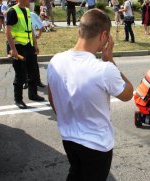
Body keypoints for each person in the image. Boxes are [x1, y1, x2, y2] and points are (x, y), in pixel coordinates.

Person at [47, 9, 133, 181]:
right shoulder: (104, 69)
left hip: (68, 138)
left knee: (75, 172)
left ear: (80, 31)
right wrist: (110, 60)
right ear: (104, 36)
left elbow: (52, 98)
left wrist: (67, 119)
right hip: (97, 146)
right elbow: (128, 93)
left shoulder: (55, 60)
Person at [6, 0, 45, 109]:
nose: (30, 0)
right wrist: (13, 50)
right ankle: (18, 99)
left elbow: (31, 30)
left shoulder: (28, 11)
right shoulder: (13, 11)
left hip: (29, 45)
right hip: (18, 46)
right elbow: (7, 32)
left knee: (33, 71)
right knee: (21, 74)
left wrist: (35, 44)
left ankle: (33, 94)